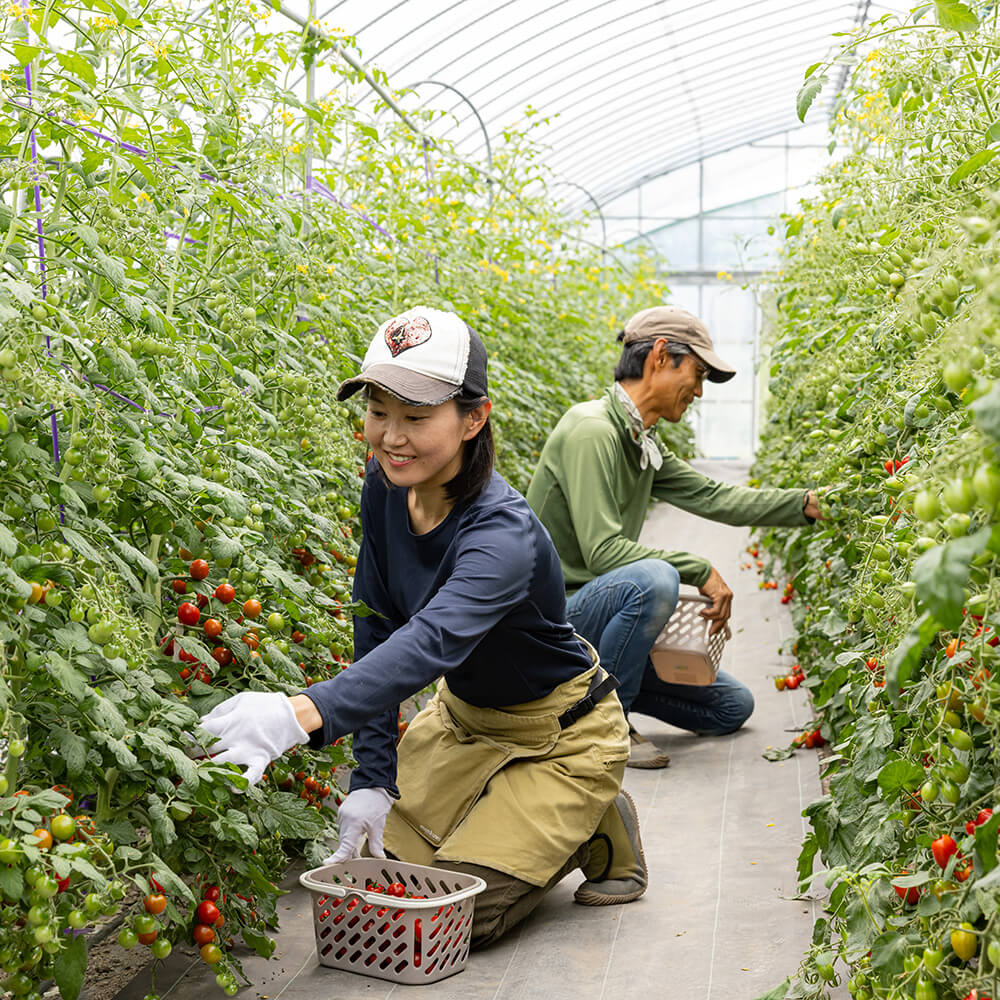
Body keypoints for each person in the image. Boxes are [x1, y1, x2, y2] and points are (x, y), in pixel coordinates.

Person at [199, 307, 646, 950]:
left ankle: (597, 817)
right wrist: (373, 776)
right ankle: (530, 816)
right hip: (463, 720)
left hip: (561, 734)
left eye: (416, 417)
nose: (391, 437)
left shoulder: (502, 534)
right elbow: (376, 623)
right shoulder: (385, 484)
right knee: (381, 892)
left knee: (449, 920)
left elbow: (431, 639)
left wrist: (301, 713)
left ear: (474, 418)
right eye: (379, 411)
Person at [526, 304, 822, 769]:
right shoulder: (591, 431)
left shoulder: (639, 440)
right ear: (660, 357)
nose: (700, 391)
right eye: (697, 373)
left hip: (596, 624)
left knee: (731, 706)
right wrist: (700, 570)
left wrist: (804, 504)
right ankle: (605, 727)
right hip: (553, 626)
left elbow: (713, 496)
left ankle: (599, 695)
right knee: (657, 580)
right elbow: (604, 553)